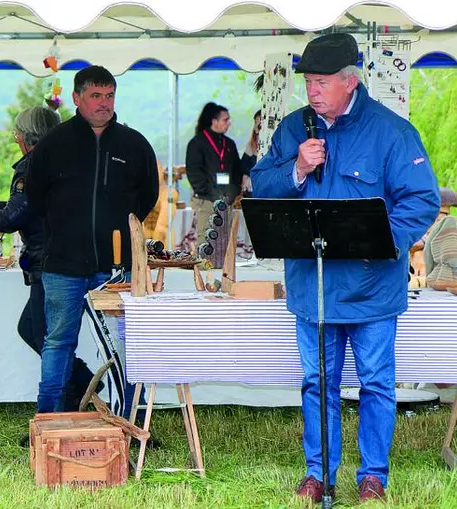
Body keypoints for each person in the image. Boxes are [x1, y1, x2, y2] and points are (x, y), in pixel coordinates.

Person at [251, 33, 440, 503]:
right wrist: (295, 168)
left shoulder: (391, 132)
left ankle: (373, 475)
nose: (312, 91)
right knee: (318, 383)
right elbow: (260, 183)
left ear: (350, 82)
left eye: (321, 82)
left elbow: (422, 200)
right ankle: (318, 473)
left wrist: (378, 242)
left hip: (373, 289)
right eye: (308, 82)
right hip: (312, 288)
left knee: (376, 384)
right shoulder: (295, 129)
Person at [26, 65, 159, 414]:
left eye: (110, 95)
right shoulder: (53, 144)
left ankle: (130, 421)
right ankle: (49, 419)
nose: (104, 103)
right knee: (57, 343)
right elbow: (36, 198)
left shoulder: (134, 144)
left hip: (116, 270)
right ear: (76, 98)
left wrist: (114, 230)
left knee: (125, 345)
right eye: (95, 96)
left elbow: (147, 198)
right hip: (63, 265)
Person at [0, 106, 98, 417]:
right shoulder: (69, 159)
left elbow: (14, 216)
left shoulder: (32, 166)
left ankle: (66, 403)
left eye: (16, 134)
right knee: (35, 330)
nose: (15, 140)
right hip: (69, 258)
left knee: (49, 338)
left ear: (26, 138)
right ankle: (80, 385)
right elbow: (29, 207)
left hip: (50, 263)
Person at [185, 102, 242, 264]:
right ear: (214, 121)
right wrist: (212, 194)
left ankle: (224, 271)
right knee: (206, 237)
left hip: (227, 200)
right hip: (207, 200)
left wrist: (233, 191)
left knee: (227, 236)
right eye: (226, 120)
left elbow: (236, 171)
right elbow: (194, 172)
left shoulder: (229, 144)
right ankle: (203, 273)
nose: (229, 123)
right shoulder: (197, 143)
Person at [240, 109, 262, 197]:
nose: (257, 129)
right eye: (256, 125)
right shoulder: (251, 145)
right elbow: (243, 167)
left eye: (260, 126)